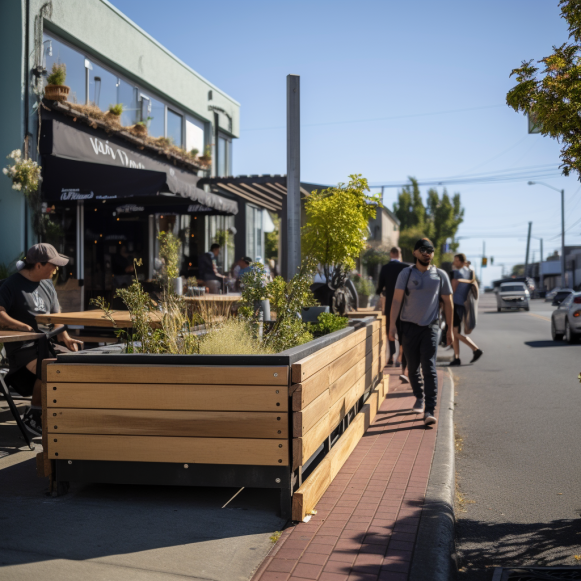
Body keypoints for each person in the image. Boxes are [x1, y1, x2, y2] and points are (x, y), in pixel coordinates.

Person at [0, 243, 83, 436]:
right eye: (53, 265)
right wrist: (20, 326)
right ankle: (35, 414)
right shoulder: (11, 284)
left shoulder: (47, 284)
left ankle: (58, 414)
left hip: (47, 341)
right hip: (24, 345)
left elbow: (56, 314)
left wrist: (64, 335)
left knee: (76, 364)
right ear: (38, 265)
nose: (56, 269)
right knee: (51, 368)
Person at [388, 238, 454, 426]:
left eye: (430, 250)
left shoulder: (440, 275)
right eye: (423, 250)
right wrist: (392, 325)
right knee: (412, 368)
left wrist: (449, 328)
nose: (427, 253)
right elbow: (396, 301)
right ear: (415, 253)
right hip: (408, 326)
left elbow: (448, 303)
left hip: (431, 326)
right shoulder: (406, 274)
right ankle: (419, 396)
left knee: (429, 366)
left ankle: (429, 410)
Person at [449, 253, 483, 366]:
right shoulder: (469, 273)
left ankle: (475, 349)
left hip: (453, 304)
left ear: (462, 262)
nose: (454, 262)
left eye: (457, 261)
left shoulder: (456, 273)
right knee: (456, 332)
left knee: (454, 333)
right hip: (463, 304)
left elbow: (451, 290)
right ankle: (457, 358)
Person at [376, 247, 408, 366]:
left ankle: (392, 355)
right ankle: (401, 356)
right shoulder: (406, 268)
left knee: (390, 329)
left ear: (391, 254)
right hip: (405, 304)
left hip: (390, 303)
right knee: (403, 330)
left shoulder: (385, 268)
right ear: (399, 254)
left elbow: (379, 287)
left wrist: (381, 292)